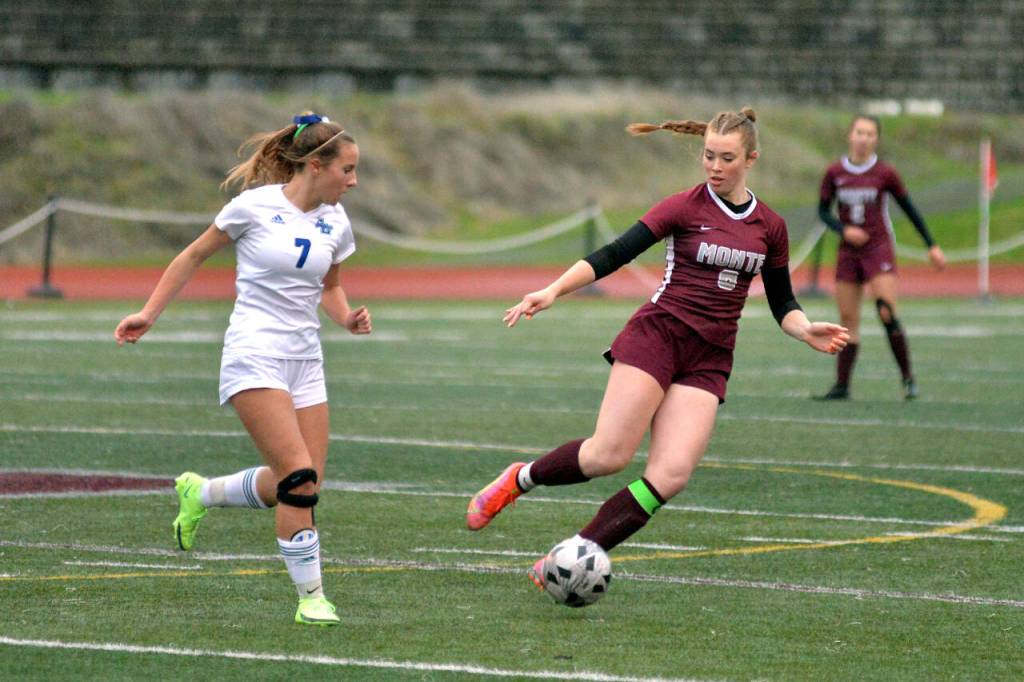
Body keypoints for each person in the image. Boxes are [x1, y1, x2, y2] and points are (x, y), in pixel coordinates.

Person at [464, 108, 850, 588]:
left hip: (709, 358)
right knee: (607, 456)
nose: (714, 165)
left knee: (669, 476)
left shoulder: (770, 226)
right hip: (658, 337)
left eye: (727, 158)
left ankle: (572, 558)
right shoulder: (683, 207)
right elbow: (613, 254)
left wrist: (804, 328)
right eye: (708, 155)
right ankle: (520, 479)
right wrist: (552, 290)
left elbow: (782, 300)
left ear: (751, 158)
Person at [114, 112, 371, 626]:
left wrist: (346, 317)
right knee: (299, 479)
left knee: (301, 482)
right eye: (346, 169)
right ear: (315, 166)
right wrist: (149, 313)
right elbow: (191, 256)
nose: (354, 180)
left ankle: (202, 492)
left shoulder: (336, 221)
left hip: (306, 360)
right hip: (254, 353)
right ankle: (311, 598)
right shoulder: (253, 207)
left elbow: (329, 286)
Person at [816, 114, 946, 400]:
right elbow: (823, 210)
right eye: (859, 132)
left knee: (886, 310)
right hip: (849, 252)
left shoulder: (885, 173)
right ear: (850, 135)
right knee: (847, 318)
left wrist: (931, 245)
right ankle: (842, 385)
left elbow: (909, 208)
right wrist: (843, 229)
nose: (863, 138)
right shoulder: (835, 172)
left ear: (876, 139)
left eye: (870, 134)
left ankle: (908, 378)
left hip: (878, 248)